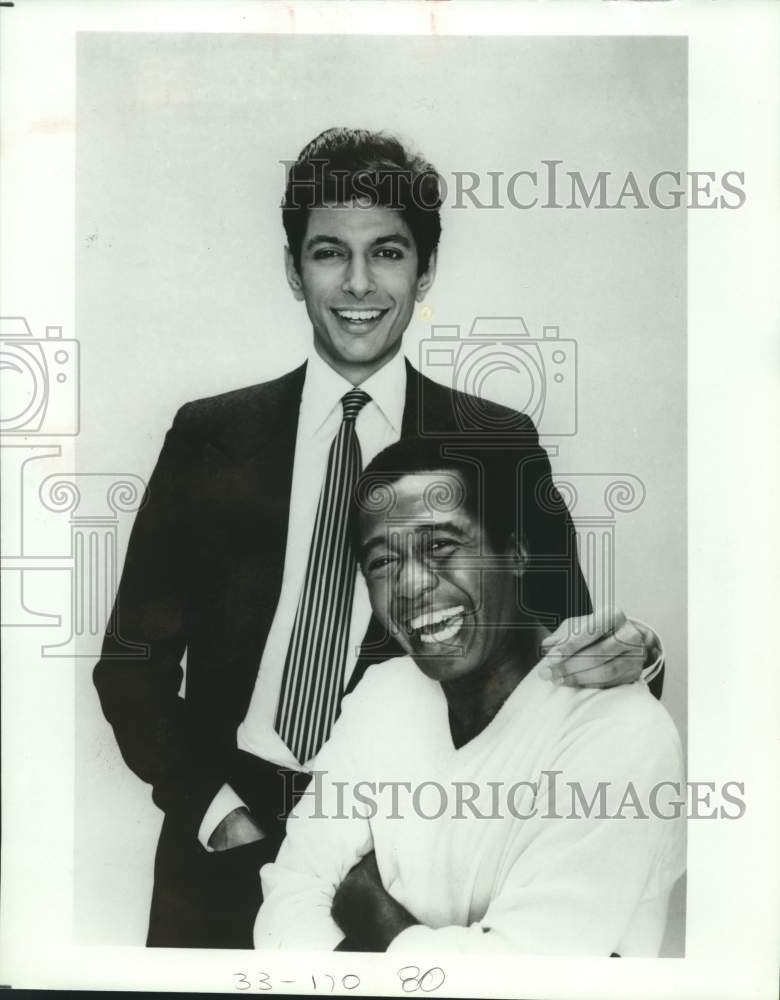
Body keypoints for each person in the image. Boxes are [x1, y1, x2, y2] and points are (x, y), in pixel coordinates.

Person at [93, 127, 663, 949]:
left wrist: (636, 656)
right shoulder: (210, 434)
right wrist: (221, 816)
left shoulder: (494, 441)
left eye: (388, 253)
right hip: (223, 842)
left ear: (424, 271)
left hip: (413, 856)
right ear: (295, 271)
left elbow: (558, 649)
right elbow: (132, 665)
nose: (358, 284)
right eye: (329, 253)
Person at [255, 438, 685, 955]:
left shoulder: (617, 731)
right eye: (382, 562)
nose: (411, 584)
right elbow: (288, 901)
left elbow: (515, 981)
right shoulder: (384, 694)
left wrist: (368, 906)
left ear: (516, 551)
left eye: (441, 546)